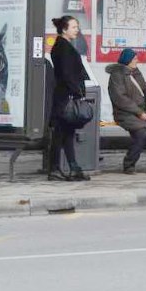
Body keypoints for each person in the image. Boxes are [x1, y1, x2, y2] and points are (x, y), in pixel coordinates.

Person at [106, 47, 146, 175]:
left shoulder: (136, 73)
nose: (137, 60)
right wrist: (139, 112)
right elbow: (120, 99)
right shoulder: (117, 75)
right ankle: (129, 164)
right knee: (141, 134)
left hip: (142, 113)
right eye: (134, 59)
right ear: (127, 60)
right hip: (125, 113)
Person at [48, 15, 90, 181]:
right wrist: (77, 92)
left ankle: (73, 167)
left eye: (77, 27)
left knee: (66, 133)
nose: (77, 30)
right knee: (60, 133)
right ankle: (55, 169)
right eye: (73, 27)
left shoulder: (63, 45)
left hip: (64, 95)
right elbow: (67, 73)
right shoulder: (63, 47)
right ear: (64, 29)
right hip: (66, 97)